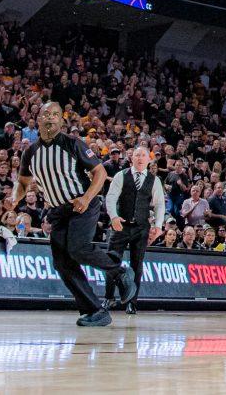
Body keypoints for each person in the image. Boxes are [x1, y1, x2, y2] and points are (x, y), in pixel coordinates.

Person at [10, 103, 134, 327]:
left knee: (77, 248)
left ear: (61, 121)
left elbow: (100, 172)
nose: (50, 118)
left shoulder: (72, 143)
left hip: (82, 204)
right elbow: (23, 182)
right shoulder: (30, 152)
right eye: (46, 114)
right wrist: (14, 198)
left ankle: (119, 272)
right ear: (38, 119)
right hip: (58, 210)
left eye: (55, 115)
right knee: (62, 263)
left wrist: (86, 198)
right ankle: (95, 310)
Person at [103, 146, 164, 314]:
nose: (140, 158)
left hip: (141, 228)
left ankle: (132, 302)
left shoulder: (154, 180)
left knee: (137, 265)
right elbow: (111, 197)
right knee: (111, 262)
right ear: (131, 158)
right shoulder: (120, 175)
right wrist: (113, 217)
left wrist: (158, 226)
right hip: (120, 226)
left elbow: (159, 204)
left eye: (143, 155)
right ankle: (108, 298)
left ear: (149, 160)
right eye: (137, 155)